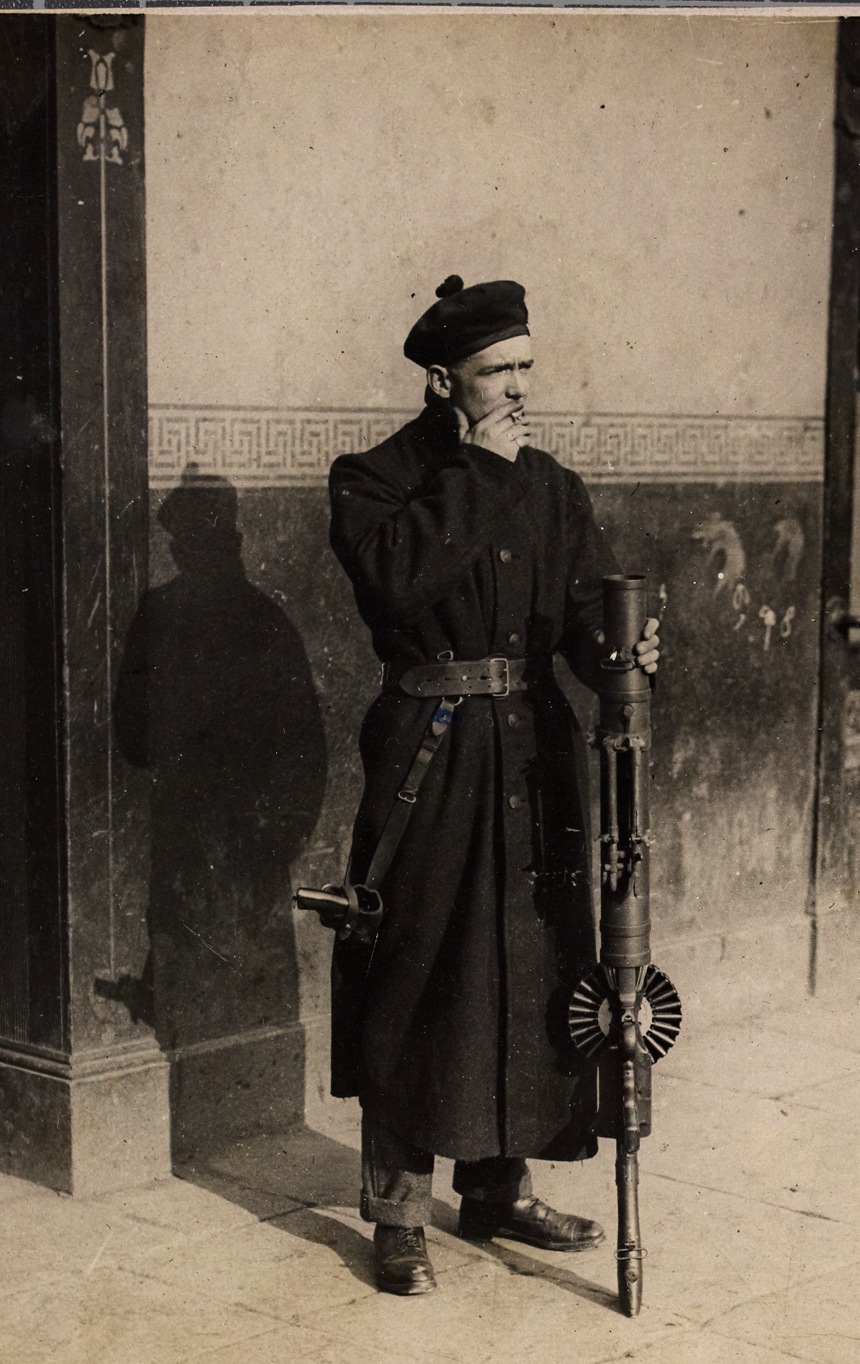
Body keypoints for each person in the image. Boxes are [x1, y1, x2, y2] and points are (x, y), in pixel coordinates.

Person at [327, 276, 661, 1296]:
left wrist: (625, 645)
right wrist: (474, 471)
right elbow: (394, 583)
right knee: (415, 972)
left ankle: (495, 1187)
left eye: (524, 368)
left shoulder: (552, 485)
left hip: (532, 752)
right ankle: (393, 1213)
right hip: (431, 755)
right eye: (493, 373)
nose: (516, 388)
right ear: (442, 381)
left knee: (526, 968)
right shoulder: (372, 478)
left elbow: (577, 620)